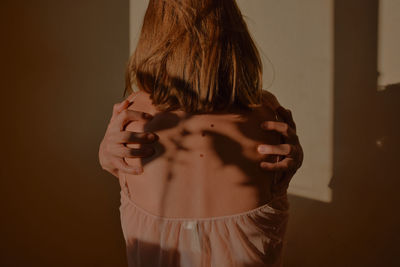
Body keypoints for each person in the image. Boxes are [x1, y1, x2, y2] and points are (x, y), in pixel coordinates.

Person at [98, 0, 303, 266]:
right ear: (233, 33)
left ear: (154, 35)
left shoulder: (131, 119)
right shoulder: (269, 117)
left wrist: (103, 156)